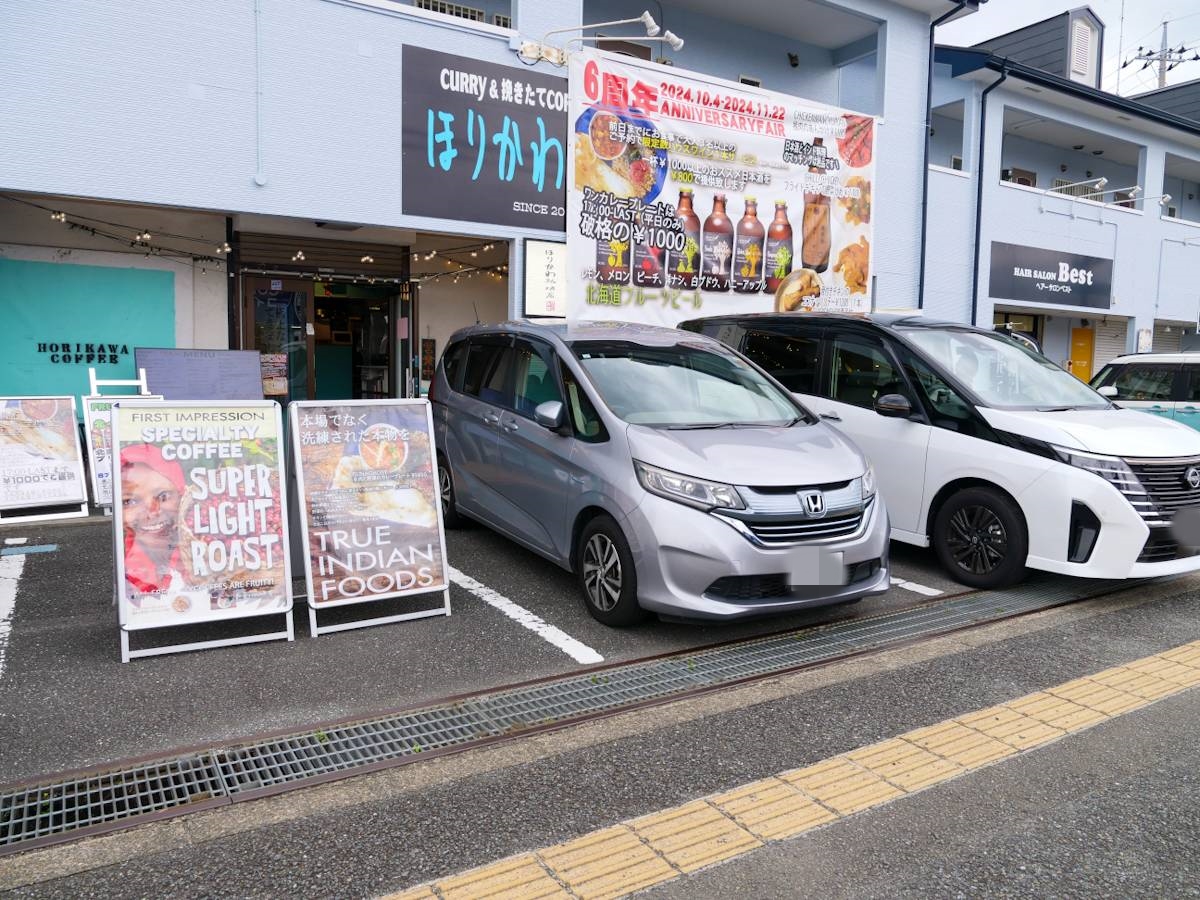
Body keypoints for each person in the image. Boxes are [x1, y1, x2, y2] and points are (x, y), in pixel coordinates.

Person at [120, 443, 185, 597]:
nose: (152, 512)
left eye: (163, 496)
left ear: (182, 496)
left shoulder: (212, 561)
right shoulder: (127, 576)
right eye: (130, 501)